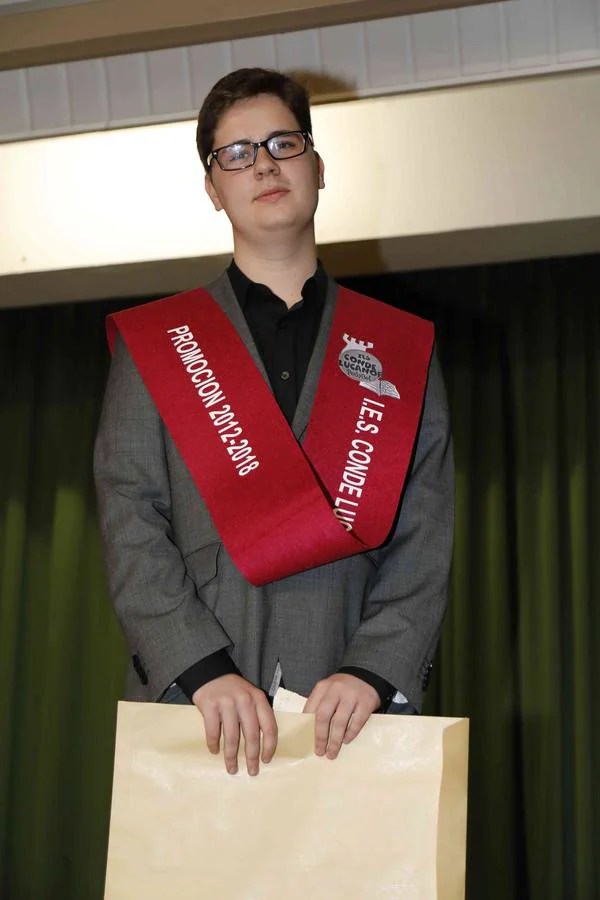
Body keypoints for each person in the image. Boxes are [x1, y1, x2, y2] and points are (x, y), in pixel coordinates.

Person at [94, 67, 454, 778]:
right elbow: (130, 519)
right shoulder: (159, 345)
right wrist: (199, 667)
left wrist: (374, 671)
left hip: (357, 718)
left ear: (317, 168)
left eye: (283, 144)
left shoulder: (401, 347)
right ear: (213, 188)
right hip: (198, 710)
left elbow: (425, 535)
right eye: (237, 153)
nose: (262, 164)